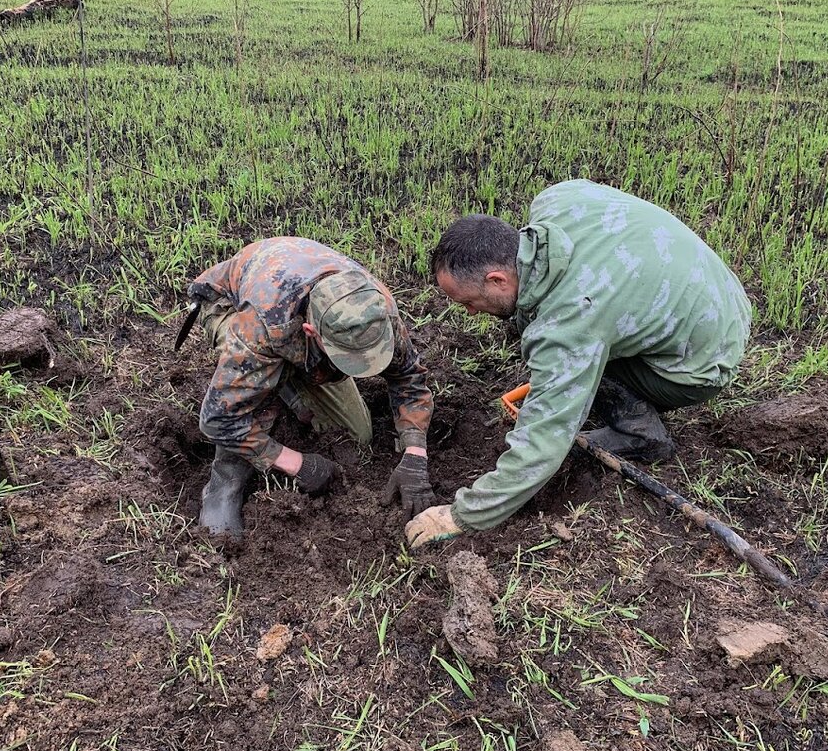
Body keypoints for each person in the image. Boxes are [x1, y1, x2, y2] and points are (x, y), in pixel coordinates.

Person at [405, 179, 752, 549]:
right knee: (561, 341)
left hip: (703, 362)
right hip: (720, 294)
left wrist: (462, 516)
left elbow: (543, 443)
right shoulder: (556, 201)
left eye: (468, 302)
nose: (471, 312)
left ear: (497, 279)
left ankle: (640, 434)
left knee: (576, 363)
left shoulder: (571, 323)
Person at [185, 237, 436, 536]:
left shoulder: (375, 311)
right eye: (347, 356)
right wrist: (297, 464)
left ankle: (288, 387)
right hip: (230, 304)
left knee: (358, 434)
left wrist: (415, 454)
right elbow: (218, 419)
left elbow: (408, 376)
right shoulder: (263, 325)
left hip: (293, 314)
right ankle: (223, 485)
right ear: (311, 331)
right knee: (251, 395)